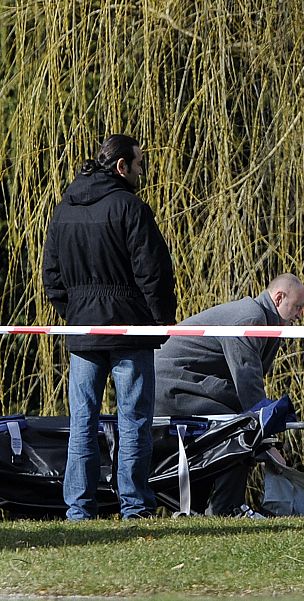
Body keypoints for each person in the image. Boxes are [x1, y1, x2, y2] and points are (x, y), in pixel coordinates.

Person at [43, 134, 177, 520]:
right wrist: (160, 321)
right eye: (138, 164)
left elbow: (52, 276)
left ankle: (78, 510)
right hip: (129, 330)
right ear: (121, 166)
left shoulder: (63, 210)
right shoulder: (130, 208)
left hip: (83, 332)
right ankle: (134, 507)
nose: (141, 172)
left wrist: (76, 312)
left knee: (82, 421)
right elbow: (153, 272)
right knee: (133, 419)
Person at [154, 273, 304, 515]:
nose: (301, 315)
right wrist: (264, 439)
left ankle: (208, 506)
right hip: (170, 385)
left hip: (188, 382)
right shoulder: (251, 319)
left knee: (241, 421)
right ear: (279, 298)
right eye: (298, 307)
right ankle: (227, 508)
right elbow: (247, 380)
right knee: (239, 427)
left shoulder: (264, 320)